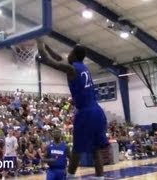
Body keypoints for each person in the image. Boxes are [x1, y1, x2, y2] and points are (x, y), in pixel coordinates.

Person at [37, 39, 109, 179]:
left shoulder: (72, 68)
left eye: (70, 52)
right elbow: (59, 57)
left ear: (74, 55)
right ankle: (100, 177)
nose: (68, 54)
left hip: (85, 113)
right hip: (98, 112)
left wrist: (39, 43)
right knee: (96, 149)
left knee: (77, 149)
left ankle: (69, 177)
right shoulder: (82, 66)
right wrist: (47, 45)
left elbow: (49, 60)